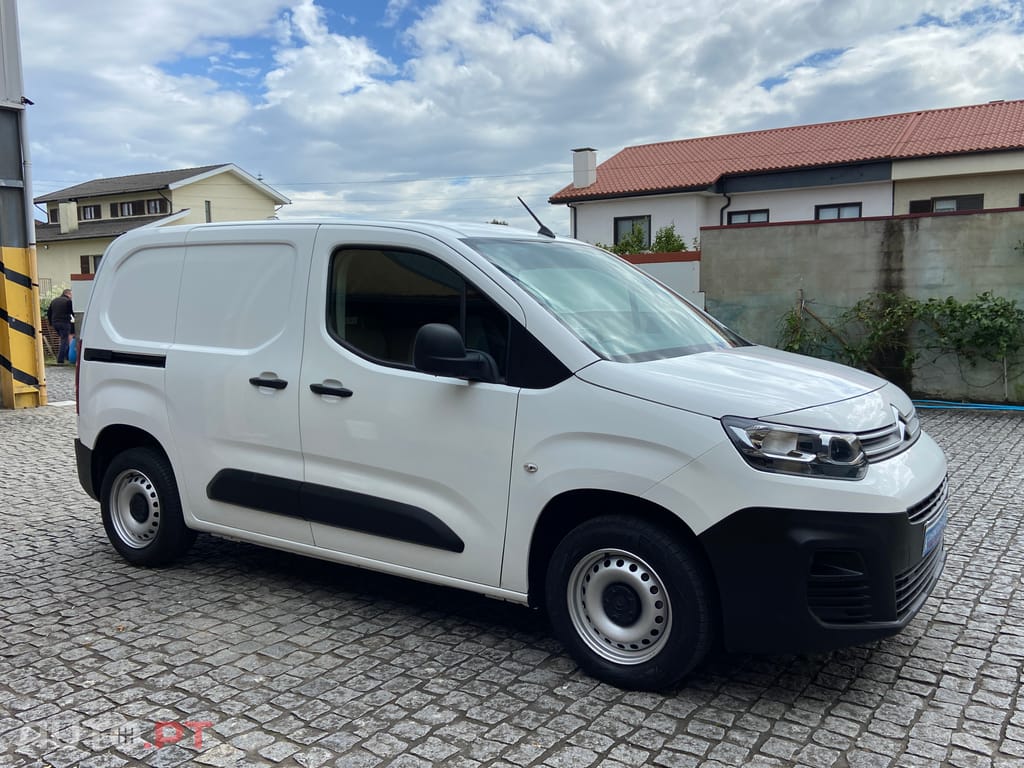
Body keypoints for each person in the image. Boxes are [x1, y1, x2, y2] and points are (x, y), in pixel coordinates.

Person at [47, 288, 74, 364]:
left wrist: (51, 323)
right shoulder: (68, 301)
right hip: (64, 323)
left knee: (63, 340)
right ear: (68, 294)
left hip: (55, 323)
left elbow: (49, 313)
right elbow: (72, 312)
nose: (72, 296)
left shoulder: (54, 301)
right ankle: (60, 360)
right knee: (65, 341)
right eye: (71, 294)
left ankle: (67, 357)